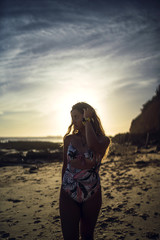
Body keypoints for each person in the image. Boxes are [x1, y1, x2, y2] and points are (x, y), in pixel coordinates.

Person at [59, 102, 110, 240]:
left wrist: (87, 121)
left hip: (92, 192)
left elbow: (93, 145)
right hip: (68, 192)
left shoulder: (104, 140)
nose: (73, 121)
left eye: (76, 116)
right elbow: (65, 165)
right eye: (72, 117)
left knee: (87, 236)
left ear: (86, 117)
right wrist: (64, 187)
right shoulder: (68, 139)